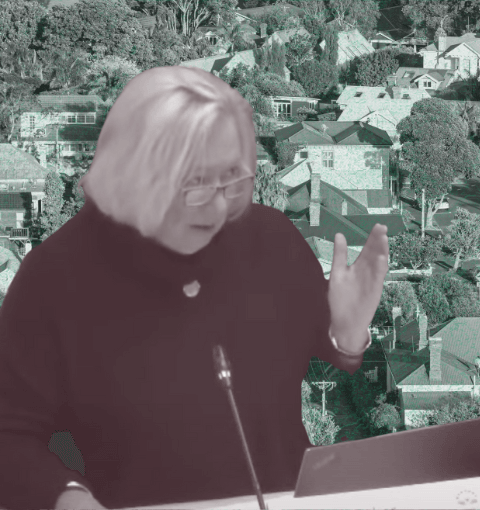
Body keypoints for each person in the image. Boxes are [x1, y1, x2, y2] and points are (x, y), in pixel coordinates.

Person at [0, 66, 389, 509]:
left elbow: (328, 348)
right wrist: (65, 496)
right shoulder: (49, 278)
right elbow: (9, 438)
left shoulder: (272, 237)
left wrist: (348, 332)